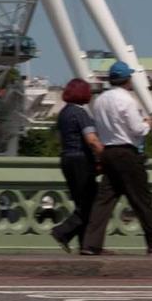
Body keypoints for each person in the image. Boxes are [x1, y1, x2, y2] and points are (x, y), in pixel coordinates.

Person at [81, 59, 152, 256]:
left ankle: (90, 243)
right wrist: (148, 124)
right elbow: (138, 130)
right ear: (127, 80)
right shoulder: (127, 100)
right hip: (127, 153)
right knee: (141, 199)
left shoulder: (100, 100)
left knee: (104, 201)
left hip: (108, 152)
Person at [48, 78, 102, 253]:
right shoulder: (81, 113)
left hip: (67, 158)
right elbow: (91, 140)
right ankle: (62, 231)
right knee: (91, 203)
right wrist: (104, 154)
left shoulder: (64, 113)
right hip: (81, 160)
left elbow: (58, 139)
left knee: (81, 202)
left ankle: (85, 245)